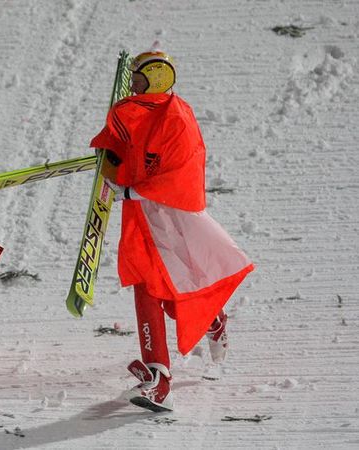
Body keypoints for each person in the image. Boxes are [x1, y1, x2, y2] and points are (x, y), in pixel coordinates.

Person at [90, 47, 254, 412]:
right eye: (132, 77)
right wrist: (111, 163)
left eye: (138, 77)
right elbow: (122, 143)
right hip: (140, 217)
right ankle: (158, 375)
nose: (132, 84)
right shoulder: (134, 109)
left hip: (169, 218)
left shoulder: (177, 116)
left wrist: (132, 189)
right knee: (145, 288)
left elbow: (185, 175)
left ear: (158, 77)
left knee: (172, 294)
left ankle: (210, 318)